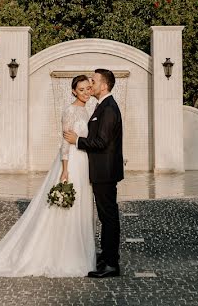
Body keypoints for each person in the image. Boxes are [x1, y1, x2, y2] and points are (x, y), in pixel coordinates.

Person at [0, 75, 96, 277]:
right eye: (81, 90)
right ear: (73, 91)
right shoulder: (70, 110)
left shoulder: (86, 110)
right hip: (71, 161)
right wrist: (65, 169)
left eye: (87, 89)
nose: (85, 92)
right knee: (65, 206)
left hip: (83, 161)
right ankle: (61, 254)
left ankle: (77, 250)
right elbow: (65, 142)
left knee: (80, 205)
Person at [63, 68, 124, 278]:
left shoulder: (108, 108)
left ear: (104, 85)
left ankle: (111, 264)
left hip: (104, 172)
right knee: (107, 216)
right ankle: (106, 257)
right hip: (101, 170)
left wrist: (77, 141)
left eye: (94, 81)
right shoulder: (101, 106)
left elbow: (102, 141)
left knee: (108, 217)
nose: (91, 84)